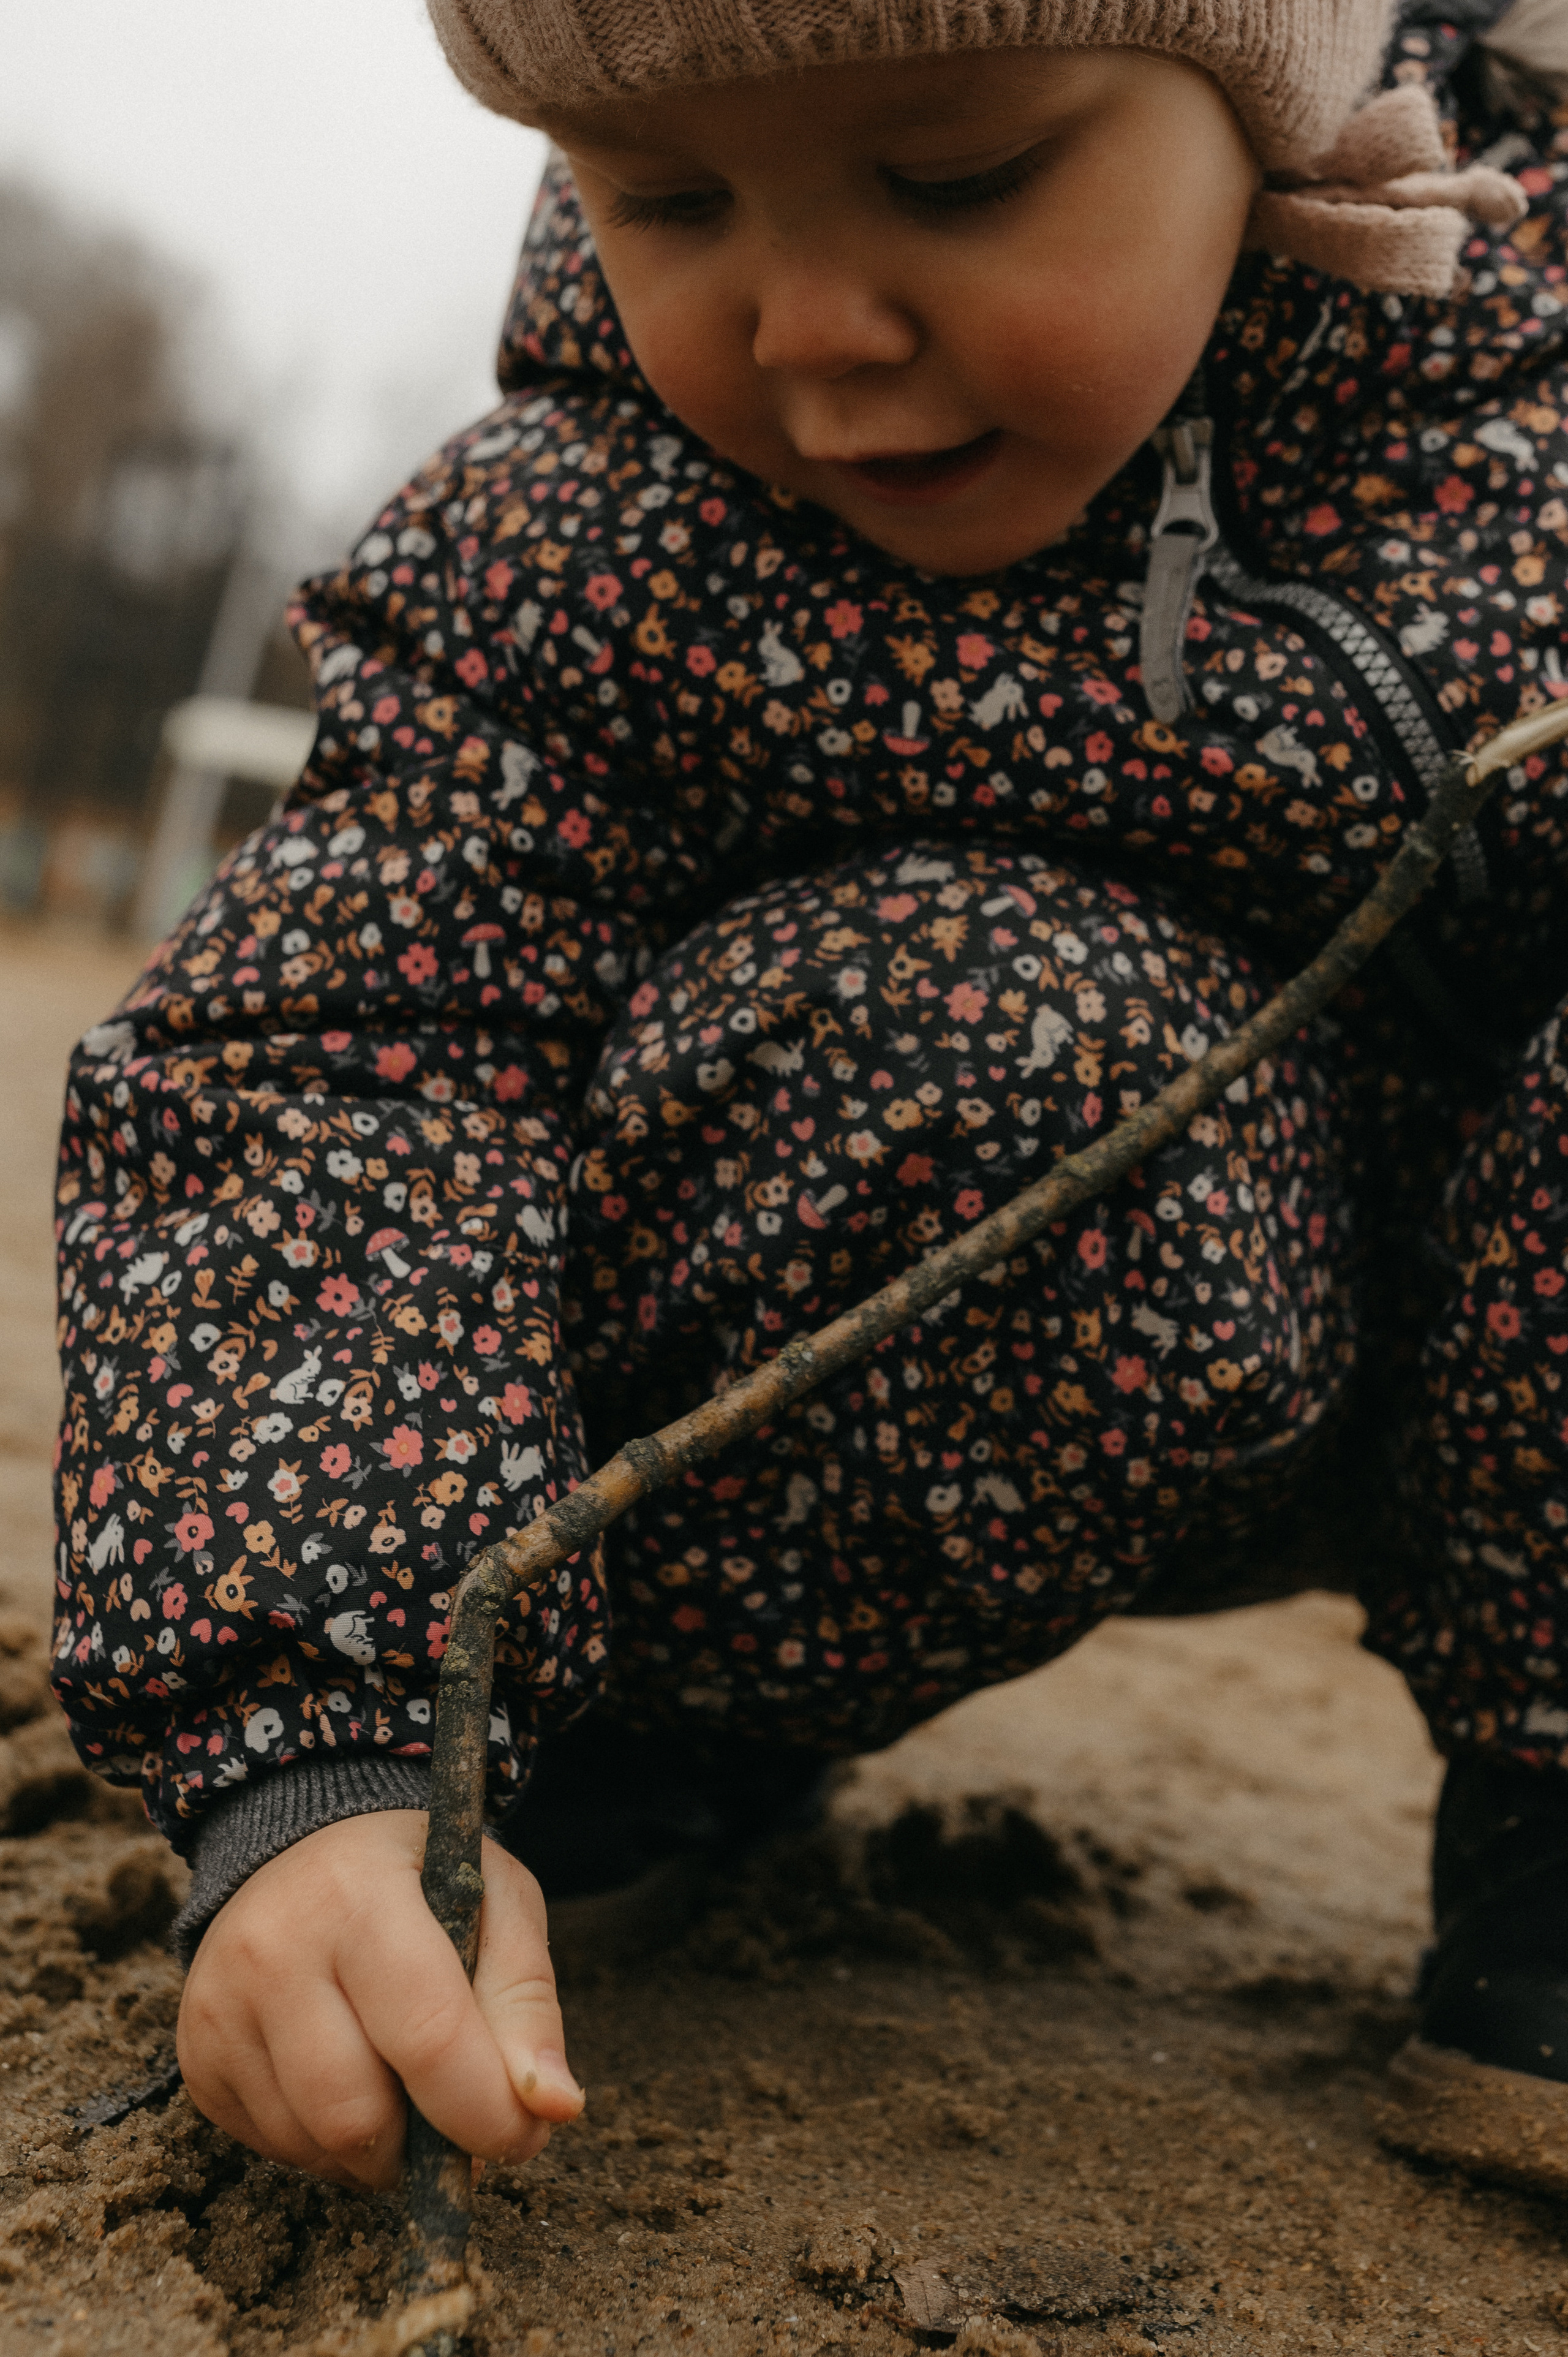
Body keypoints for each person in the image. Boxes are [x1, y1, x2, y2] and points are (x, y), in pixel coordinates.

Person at [50, 0, 1568, 2197]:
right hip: (932, 1334)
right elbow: (334, 1061)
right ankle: (647, 1745)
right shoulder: (599, 541)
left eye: (957, 181)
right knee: (1012, 1029)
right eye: (671, 202)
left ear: (1280, 91)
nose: (821, 330)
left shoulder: (1513, 447)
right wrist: (334, 1744)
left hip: (1484, 1349)